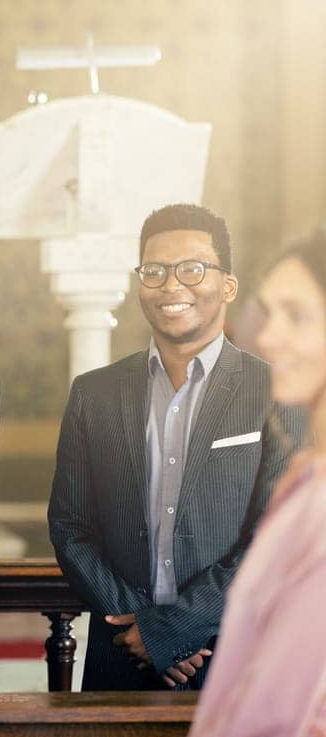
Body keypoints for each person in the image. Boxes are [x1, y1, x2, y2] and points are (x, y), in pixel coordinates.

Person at [49, 204, 303, 691]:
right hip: (120, 659)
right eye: (155, 271)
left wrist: (172, 631)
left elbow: (277, 538)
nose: (171, 285)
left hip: (236, 659)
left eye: (191, 269)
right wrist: (138, 630)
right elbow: (70, 526)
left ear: (227, 285)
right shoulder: (93, 393)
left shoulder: (276, 391)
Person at [122, 230, 326, 737]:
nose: (268, 336)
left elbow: (274, 706)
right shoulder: (307, 478)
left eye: (298, 315)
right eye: (271, 313)